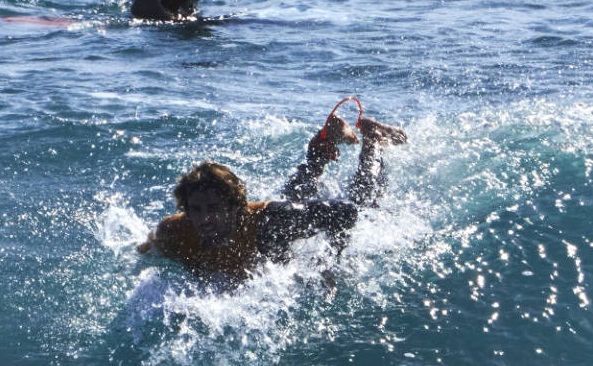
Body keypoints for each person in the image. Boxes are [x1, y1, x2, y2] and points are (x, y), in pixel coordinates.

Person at [137, 113, 409, 287]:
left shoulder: (268, 223)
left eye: (214, 208)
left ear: (235, 207)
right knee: (292, 196)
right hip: (269, 220)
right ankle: (322, 146)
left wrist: (329, 264)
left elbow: (345, 214)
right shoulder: (175, 232)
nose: (204, 219)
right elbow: (145, 252)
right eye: (195, 210)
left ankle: (372, 139)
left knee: (365, 199)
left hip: (271, 220)